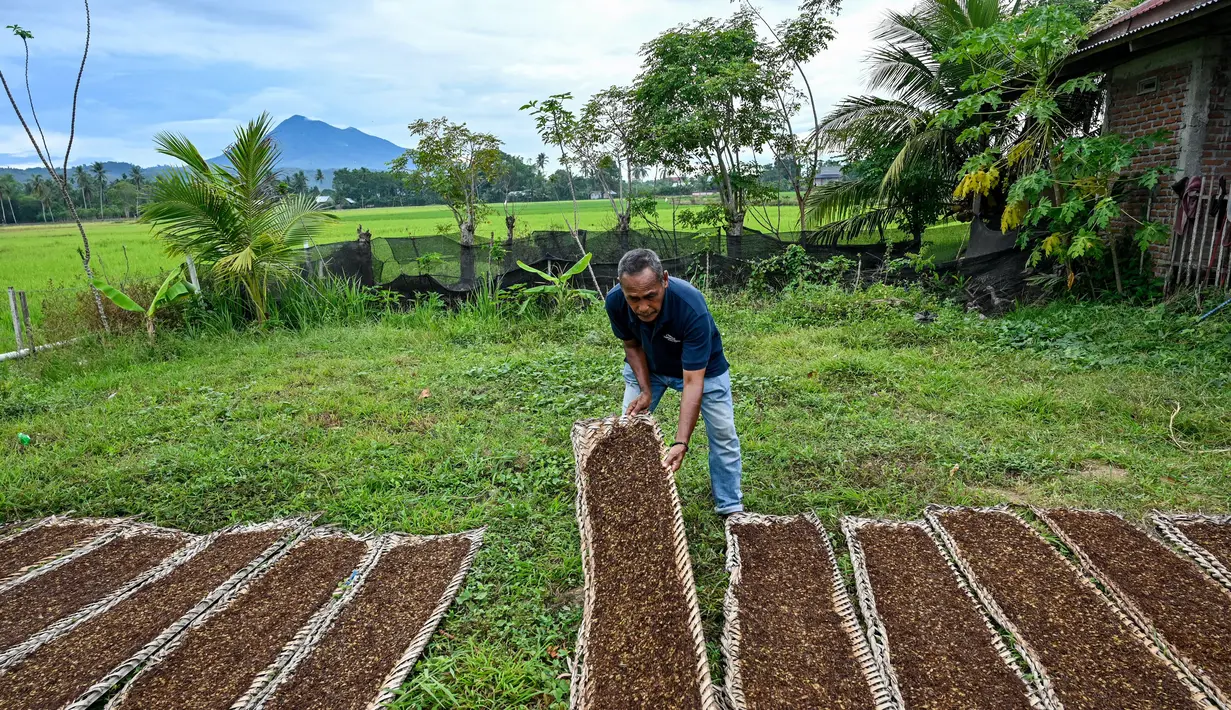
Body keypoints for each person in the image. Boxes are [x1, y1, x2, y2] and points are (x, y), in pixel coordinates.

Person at [605, 248, 744, 515]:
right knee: (627, 431)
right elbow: (632, 346)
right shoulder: (615, 302)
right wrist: (645, 391)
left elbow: (693, 382)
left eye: (650, 296)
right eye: (633, 298)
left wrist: (681, 442)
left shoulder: (691, 307)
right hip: (650, 367)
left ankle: (730, 506)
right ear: (621, 289)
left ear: (664, 280)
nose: (643, 307)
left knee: (723, 435)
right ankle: (632, 499)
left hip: (703, 370)